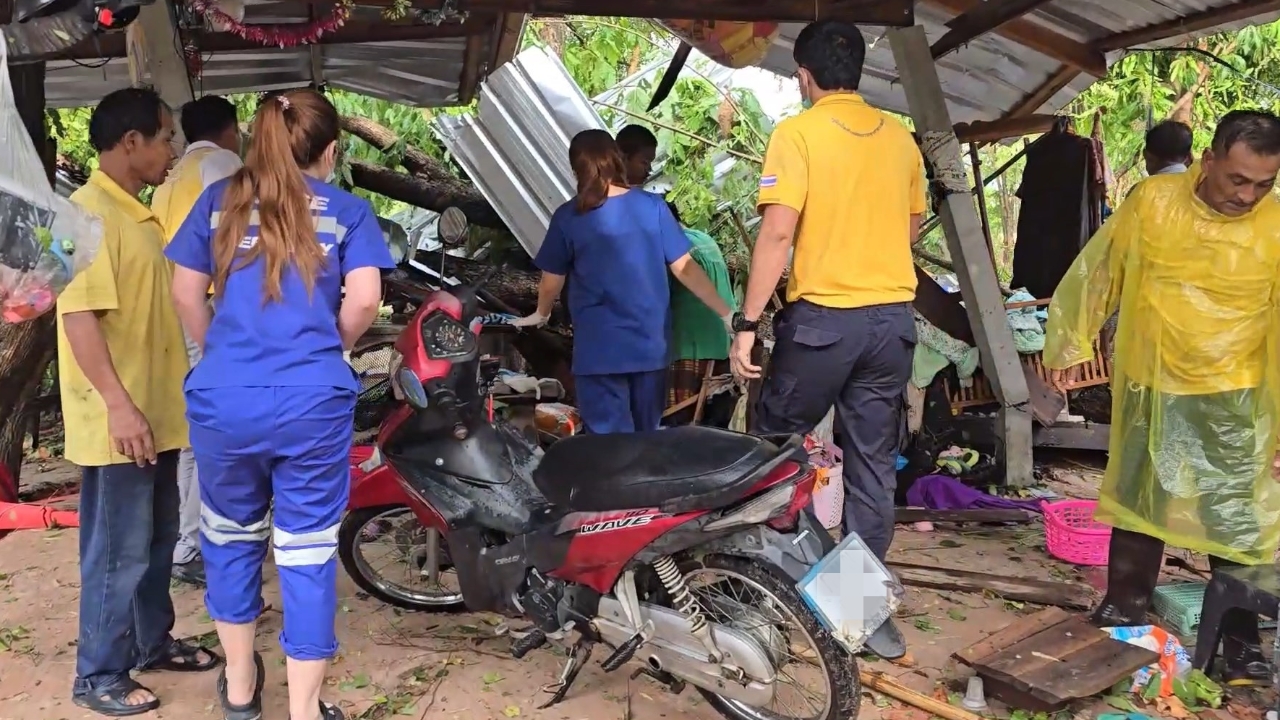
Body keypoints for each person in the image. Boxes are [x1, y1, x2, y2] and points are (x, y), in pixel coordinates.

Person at [166, 89, 395, 720]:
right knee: (306, 550)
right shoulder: (347, 211)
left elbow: (185, 291)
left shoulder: (220, 203)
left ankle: (240, 693)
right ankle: (303, 709)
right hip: (312, 401)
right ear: (330, 150)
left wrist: (222, 350)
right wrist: (330, 348)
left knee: (230, 538)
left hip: (223, 399)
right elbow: (366, 301)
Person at [1045, 110, 1280, 687]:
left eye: (1264, 184)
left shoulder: (1276, 226)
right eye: (1238, 180)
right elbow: (1100, 270)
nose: (1248, 195)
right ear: (1210, 160)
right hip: (1154, 384)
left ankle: (1243, 640)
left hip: (1236, 396)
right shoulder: (1153, 202)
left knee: (1235, 521)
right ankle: (1125, 606)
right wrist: (1068, 344)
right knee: (1139, 501)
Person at [728, 20, 923, 658]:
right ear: (859, 74)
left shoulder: (798, 133)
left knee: (771, 452)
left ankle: (760, 589)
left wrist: (748, 323)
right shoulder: (901, 139)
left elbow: (778, 235)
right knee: (872, 467)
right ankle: (858, 613)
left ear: (803, 77)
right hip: (891, 321)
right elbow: (912, 225)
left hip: (823, 323)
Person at [61, 87, 221, 717]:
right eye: (164, 137)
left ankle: (151, 642)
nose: (172, 150)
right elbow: (79, 319)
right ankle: (97, 673)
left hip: (159, 412)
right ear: (132, 142)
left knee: (156, 540)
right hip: (120, 420)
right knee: (117, 549)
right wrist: (120, 407)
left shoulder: (139, 213)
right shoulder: (86, 216)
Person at [512, 129, 732, 433]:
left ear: (575, 168)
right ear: (617, 160)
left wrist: (542, 313)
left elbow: (552, 279)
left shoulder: (568, 217)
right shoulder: (653, 207)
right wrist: (726, 313)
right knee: (645, 436)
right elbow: (685, 268)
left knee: (608, 444)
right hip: (649, 350)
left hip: (598, 354)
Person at [153, 94, 244, 588]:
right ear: (230, 129)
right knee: (215, 425)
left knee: (193, 428)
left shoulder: (168, 181)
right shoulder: (224, 163)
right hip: (208, 305)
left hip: (172, 305)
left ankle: (187, 539)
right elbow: (235, 239)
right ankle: (198, 542)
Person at [664, 200, 734, 422]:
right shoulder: (703, 239)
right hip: (720, 344)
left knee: (678, 423)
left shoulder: (673, 251)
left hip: (689, 346)